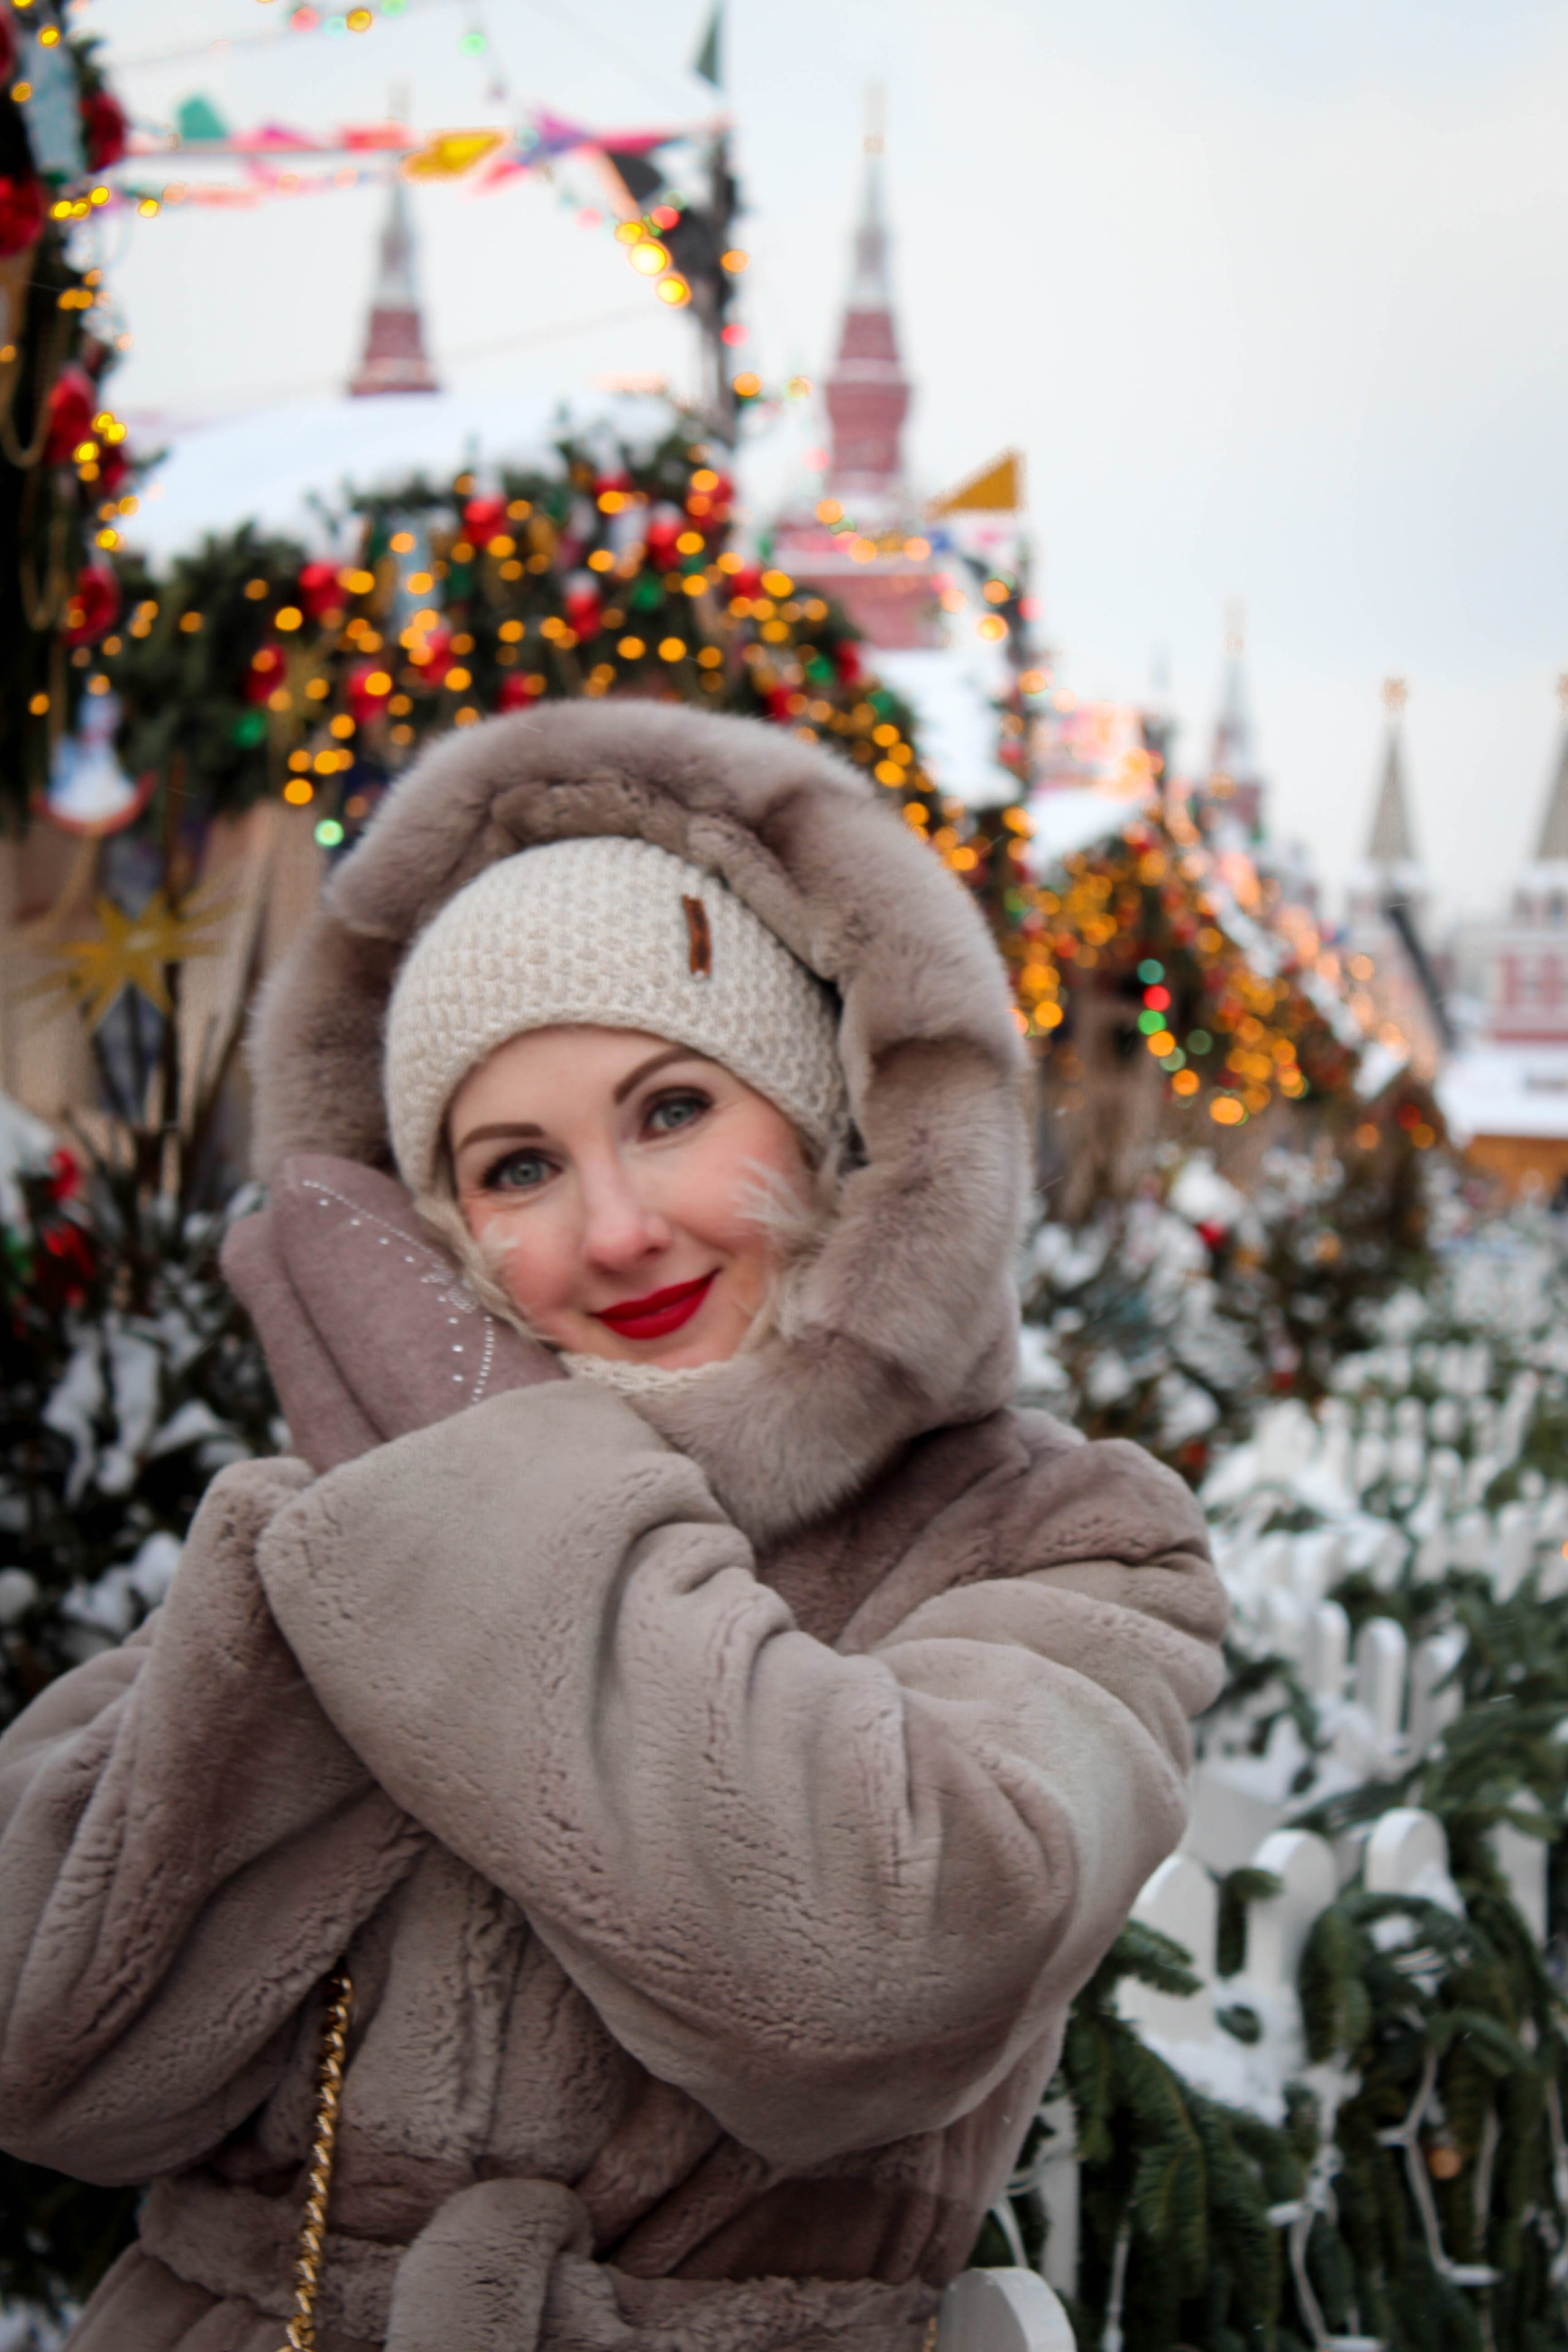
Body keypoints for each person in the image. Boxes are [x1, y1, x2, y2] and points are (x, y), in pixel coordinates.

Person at [0, 701, 1226, 2352]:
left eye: (670, 1111)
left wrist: (484, 1470)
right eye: (514, 1168)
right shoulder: (340, 1526)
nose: (617, 1230)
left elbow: (876, 1967)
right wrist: (395, 1521)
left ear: (822, 1118)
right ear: (439, 1226)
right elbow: (46, 2044)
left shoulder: (1061, 1538)